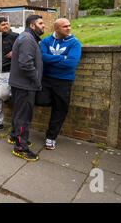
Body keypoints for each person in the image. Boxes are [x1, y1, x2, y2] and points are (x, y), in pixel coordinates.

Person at [38, 18, 81, 150]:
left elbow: (71, 63)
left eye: (69, 26)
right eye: (65, 26)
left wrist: (51, 60)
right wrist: (62, 58)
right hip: (46, 79)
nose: (68, 28)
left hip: (64, 81)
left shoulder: (74, 43)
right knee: (41, 100)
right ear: (56, 29)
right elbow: (42, 58)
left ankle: (51, 137)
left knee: (60, 109)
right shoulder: (45, 41)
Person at [8, 15, 45, 161]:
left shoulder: (26, 37)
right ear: (32, 25)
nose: (43, 26)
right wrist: (36, 80)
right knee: (23, 117)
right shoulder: (28, 39)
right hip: (25, 85)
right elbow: (25, 63)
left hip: (20, 84)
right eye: (40, 23)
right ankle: (21, 148)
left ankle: (14, 137)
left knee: (18, 113)